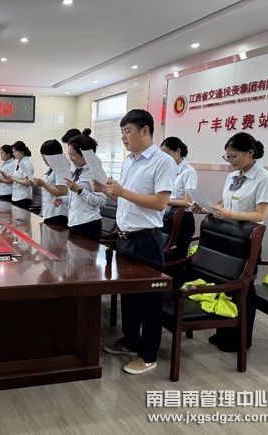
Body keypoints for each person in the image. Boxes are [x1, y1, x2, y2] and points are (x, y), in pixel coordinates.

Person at [94, 109, 176, 375]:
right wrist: (107, 190)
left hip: (146, 240)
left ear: (145, 130)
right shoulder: (129, 161)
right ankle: (130, 340)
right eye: (121, 132)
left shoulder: (163, 162)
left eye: (127, 131)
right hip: (124, 238)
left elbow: (160, 203)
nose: (123, 137)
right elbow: (124, 198)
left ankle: (149, 355)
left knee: (149, 300)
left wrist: (122, 191)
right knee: (129, 296)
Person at [193, 132, 268, 352]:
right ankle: (223, 331)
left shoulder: (264, 178)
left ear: (250, 153)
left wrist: (230, 214)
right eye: (227, 157)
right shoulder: (232, 176)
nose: (230, 161)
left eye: (234, 156)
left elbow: (260, 214)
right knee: (224, 284)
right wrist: (207, 208)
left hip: (246, 240)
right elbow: (226, 204)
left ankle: (240, 340)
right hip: (226, 236)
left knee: (243, 288)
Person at [56, 129, 106, 239]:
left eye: (73, 155)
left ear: (84, 154)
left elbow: (101, 201)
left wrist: (79, 190)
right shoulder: (78, 170)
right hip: (74, 221)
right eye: (69, 155)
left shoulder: (95, 171)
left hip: (88, 223)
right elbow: (77, 197)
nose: (71, 159)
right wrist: (63, 199)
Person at [159, 137, 197, 259]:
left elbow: (188, 202)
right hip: (167, 216)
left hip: (182, 219)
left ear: (178, 151)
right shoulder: (168, 169)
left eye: (167, 154)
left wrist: (162, 200)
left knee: (177, 256)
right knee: (163, 253)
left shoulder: (188, 171)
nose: (164, 158)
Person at [31, 139, 68, 227]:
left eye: (45, 157)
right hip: (50, 212)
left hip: (58, 213)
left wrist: (43, 184)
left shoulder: (61, 167)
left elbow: (62, 192)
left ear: (53, 155)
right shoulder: (52, 168)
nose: (44, 159)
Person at [1, 141, 34, 210]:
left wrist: (13, 178)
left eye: (15, 152)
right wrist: (5, 176)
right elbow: (15, 179)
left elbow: (27, 182)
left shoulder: (27, 163)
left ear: (21, 151)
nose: (13, 154)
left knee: (21, 216)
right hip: (16, 196)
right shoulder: (18, 162)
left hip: (23, 197)